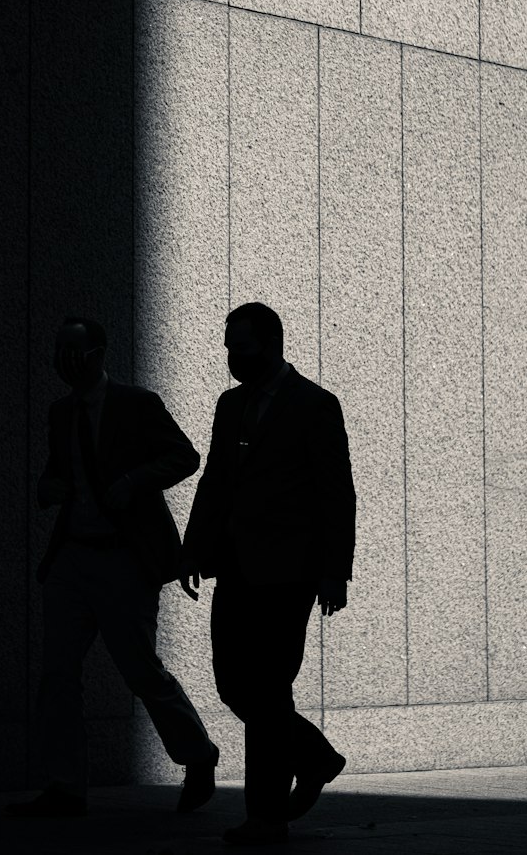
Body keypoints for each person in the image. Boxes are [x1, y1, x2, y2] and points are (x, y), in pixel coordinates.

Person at [7, 316, 220, 818]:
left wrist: (135, 481)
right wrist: (47, 488)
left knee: (140, 670)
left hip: (124, 559)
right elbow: (55, 472)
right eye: (59, 349)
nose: (65, 360)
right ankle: (65, 786)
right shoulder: (61, 413)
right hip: (72, 558)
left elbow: (184, 457)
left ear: (99, 353)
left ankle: (198, 755)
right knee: (57, 674)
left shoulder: (136, 404)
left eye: (74, 350)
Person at [180, 302, 356, 847]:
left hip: (290, 573)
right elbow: (214, 480)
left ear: (272, 343)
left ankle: (267, 815)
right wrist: (192, 551)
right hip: (234, 567)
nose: (233, 357)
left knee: (268, 686)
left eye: (242, 346)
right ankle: (314, 755)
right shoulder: (229, 405)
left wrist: (335, 573)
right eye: (229, 346)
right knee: (234, 683)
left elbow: (336, 493)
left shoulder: (315, 405)